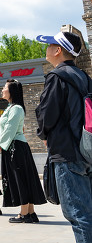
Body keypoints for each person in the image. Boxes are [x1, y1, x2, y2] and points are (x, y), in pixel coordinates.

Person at [35, 30, 92, 242]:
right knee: (87, 212)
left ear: (58, 50)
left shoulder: (56, 77)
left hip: (67, 153)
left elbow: (46, 114)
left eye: (50, 45)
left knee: (78, 215)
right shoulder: (84, 77)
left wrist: (43, 134)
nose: (47, 49)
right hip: (86, 150)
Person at [0, 79, 46, 223]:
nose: (2, 89)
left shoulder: (16, 108)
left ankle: (24, 214)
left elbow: (10, 128)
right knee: (24, 178)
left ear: (11, 91)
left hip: (15, 147)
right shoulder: (11, 107)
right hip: (14, 146)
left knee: (20, 179)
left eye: (5, 87)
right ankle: (30, 213)